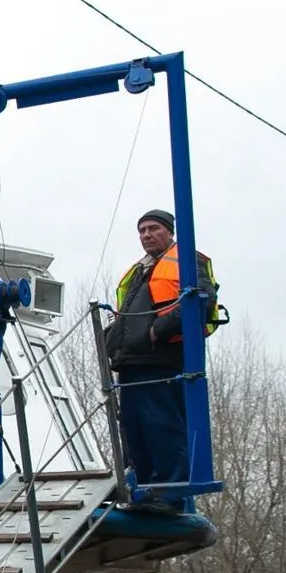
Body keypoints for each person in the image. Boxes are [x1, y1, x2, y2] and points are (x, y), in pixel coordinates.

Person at [107, 208, 219, 514]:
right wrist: (112, 340)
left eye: (153, 229)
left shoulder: (187, 260)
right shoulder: (140, 270)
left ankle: (169, 493)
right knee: (134, 429)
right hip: (132, 361)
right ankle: (144, 489)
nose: (146, 235)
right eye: (141, 230)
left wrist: (160, 329)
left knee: (162, 426)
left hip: (163, 359)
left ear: (169, 231)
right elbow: (126, 314)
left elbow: (201, 300)